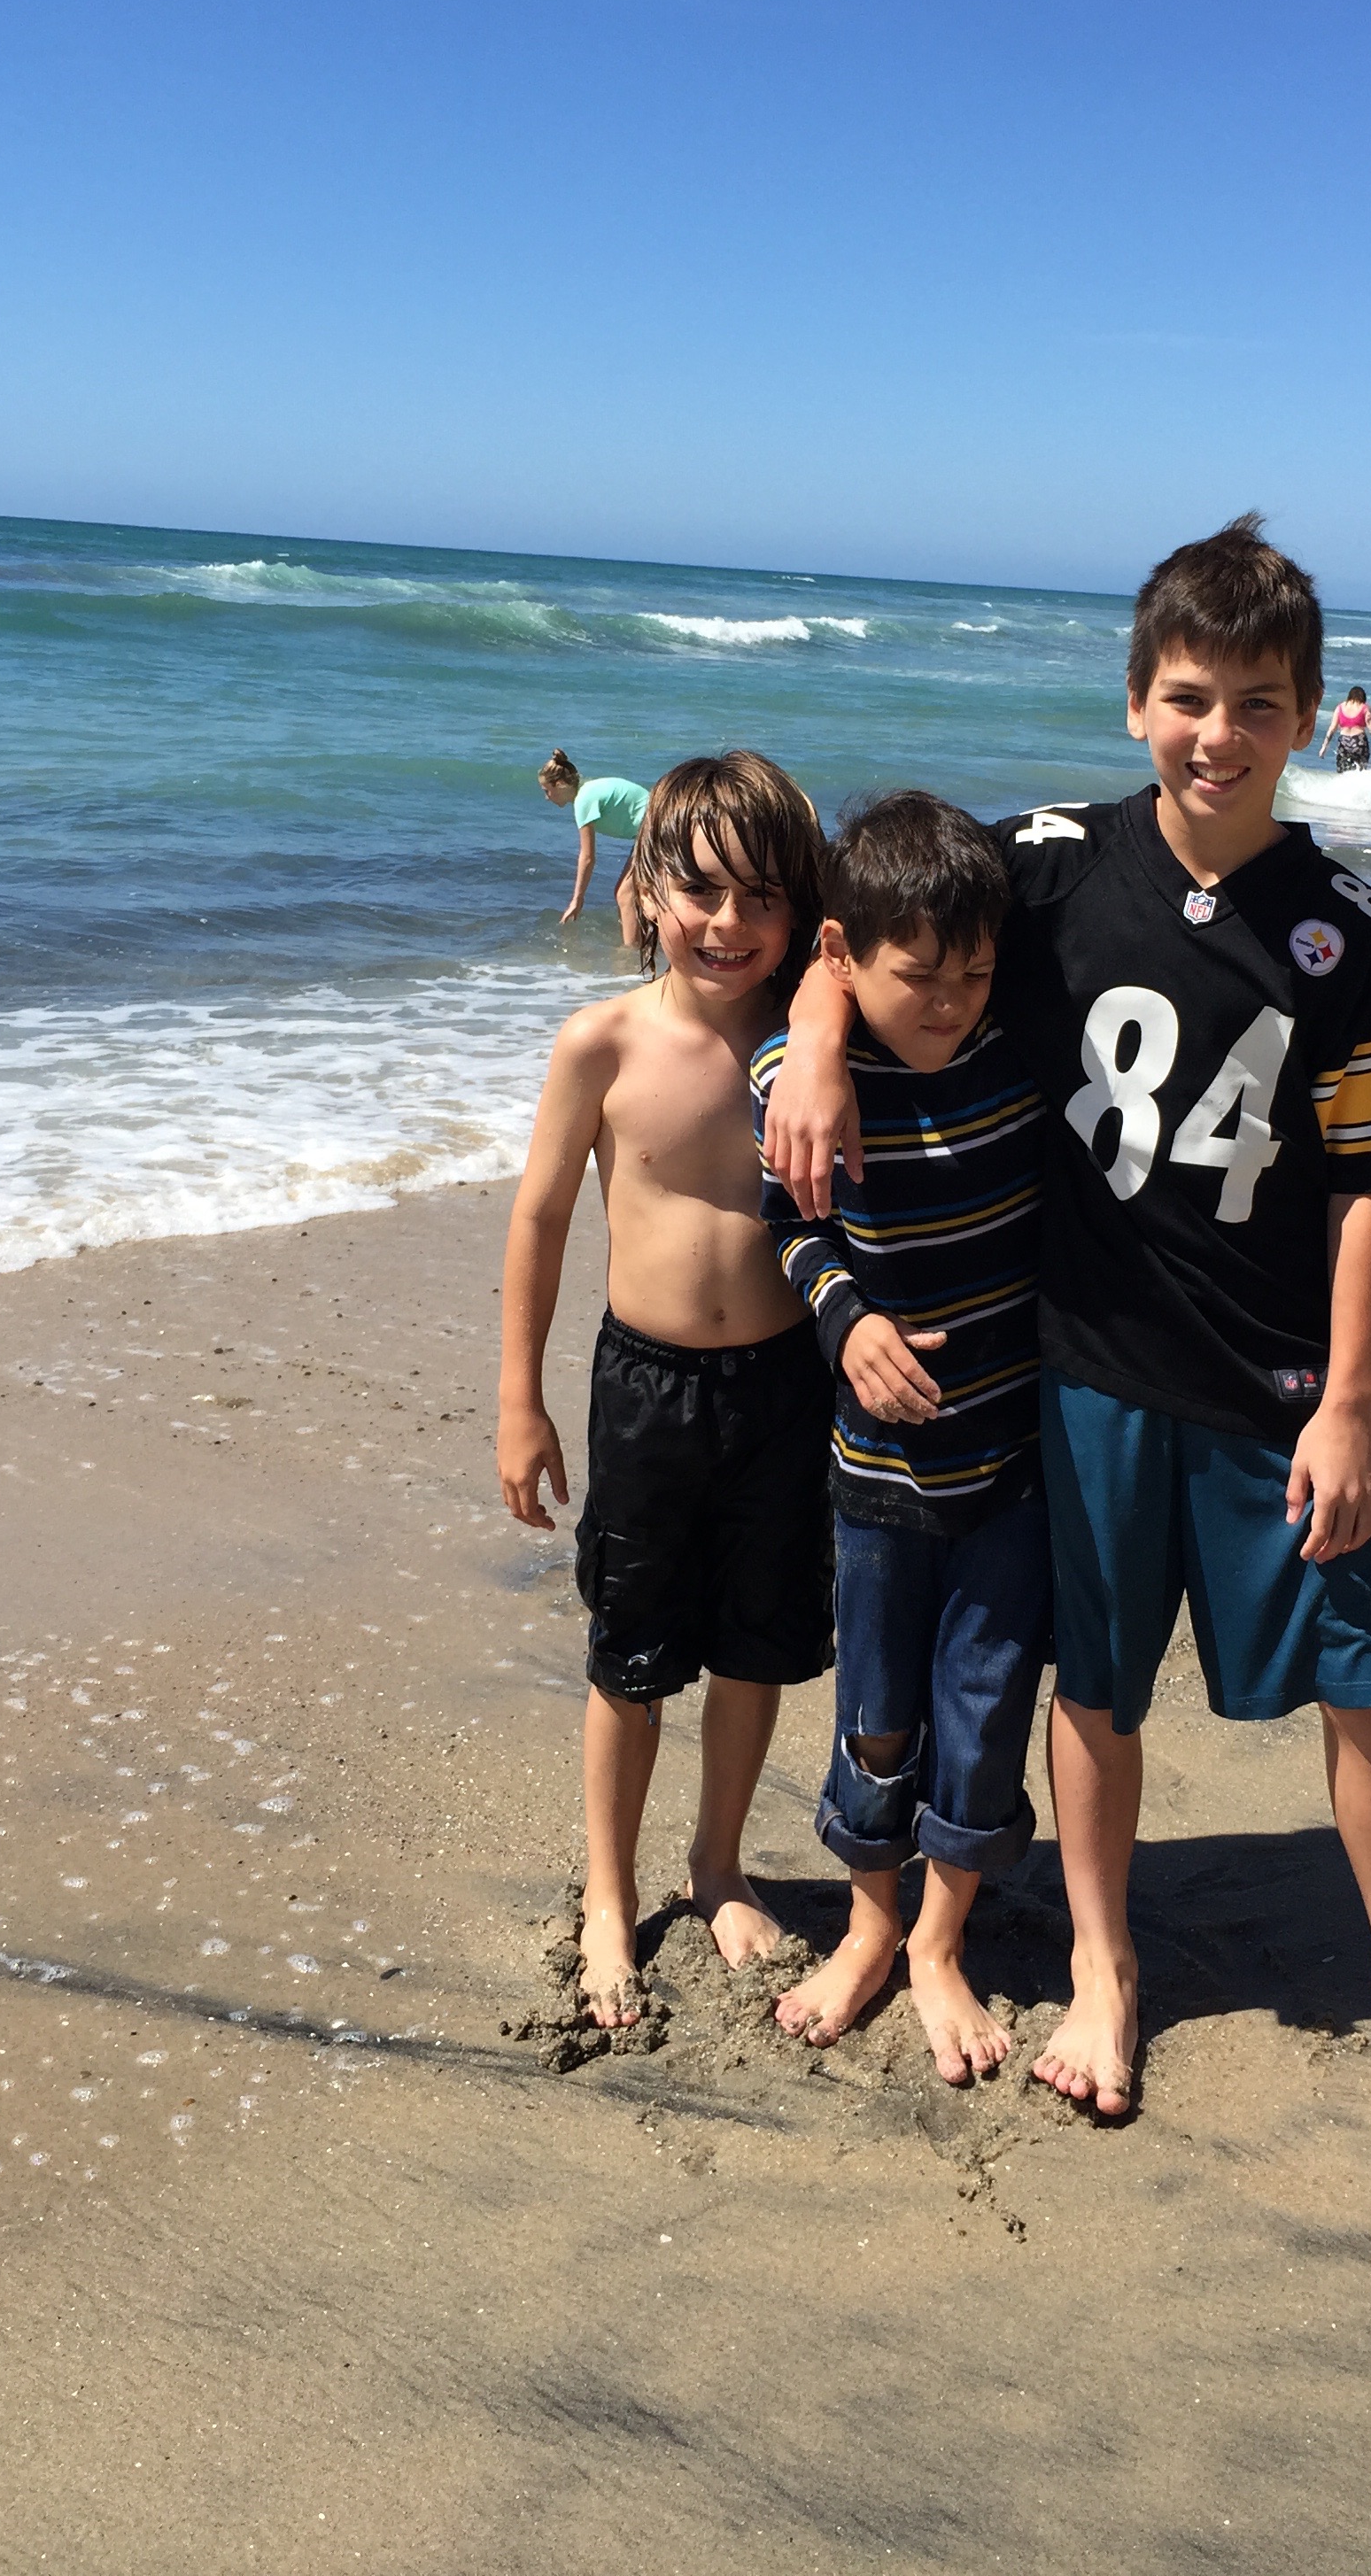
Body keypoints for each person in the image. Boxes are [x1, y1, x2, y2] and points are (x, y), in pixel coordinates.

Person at [765, 517, 1371, 2143]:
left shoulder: (1354, 932)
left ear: (1309, 714)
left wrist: (1349, 1403)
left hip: (1278, 1385)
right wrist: (819, 1039)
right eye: (1187, 696)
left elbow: (1367, 1187)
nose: (1217, 733)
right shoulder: (1044, 864)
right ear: (1134, 701)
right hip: (1090, 1376)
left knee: (1363, 1668)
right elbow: (867, 918)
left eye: (1257, 703)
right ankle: (1103, 1964)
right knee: (1098, 1685)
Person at [497, 751, 833, 2028]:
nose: (728, 923)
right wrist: (519, 1399)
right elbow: (539, 1219)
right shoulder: (604, 1042)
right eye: (701, 892)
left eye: (762, 898)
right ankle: (608, 1889)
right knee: (628, 1653)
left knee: (756, 1642)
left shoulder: (808, 1043)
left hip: (785, 1381)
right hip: (646, 1389)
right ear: (645, 888)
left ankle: (718, 1862)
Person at [752, 793, 1050, 2085]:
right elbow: (792, 1225)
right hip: (876, 1478)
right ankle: (871, 1924)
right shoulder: (798, 1083)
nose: (948, 1003)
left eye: (973, 975)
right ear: (841, 954)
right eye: (917, 976)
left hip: (1013, 1468)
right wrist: (847, 1320)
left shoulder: (1019, 1052)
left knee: (984, 1707)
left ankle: (939, 1939)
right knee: (876, 1712)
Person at [538, 748, 648, 945]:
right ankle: (644, 944)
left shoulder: (583, 800)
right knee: (638, 893)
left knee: (625, 894)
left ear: (560, 784)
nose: (547, 797)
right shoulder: (588, 789)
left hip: (656, 829)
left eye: (547, 791)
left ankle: (629, 955)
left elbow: (588, 857)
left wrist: (577, 900)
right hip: (656, 827)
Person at [1319, 684, 1371, 772]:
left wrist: (1324, 747)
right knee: (1361, 772)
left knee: (1342, 772)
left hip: (1344, 742)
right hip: (1359, 741)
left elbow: (1332, 729)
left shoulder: (1340, 708)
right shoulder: (1365, 708)